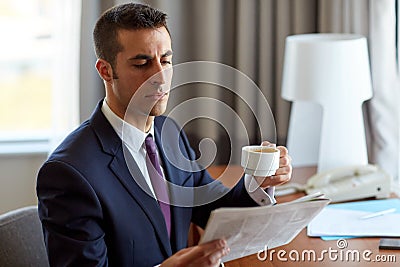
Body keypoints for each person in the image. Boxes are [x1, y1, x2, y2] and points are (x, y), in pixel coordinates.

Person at [36, 3, 292, 267]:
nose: (160, 76)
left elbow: (214, 209)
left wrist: (258, 183)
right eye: (142, 63)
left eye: (166, 60)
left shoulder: (168, 133)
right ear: (105, 71)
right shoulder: (68, 174)